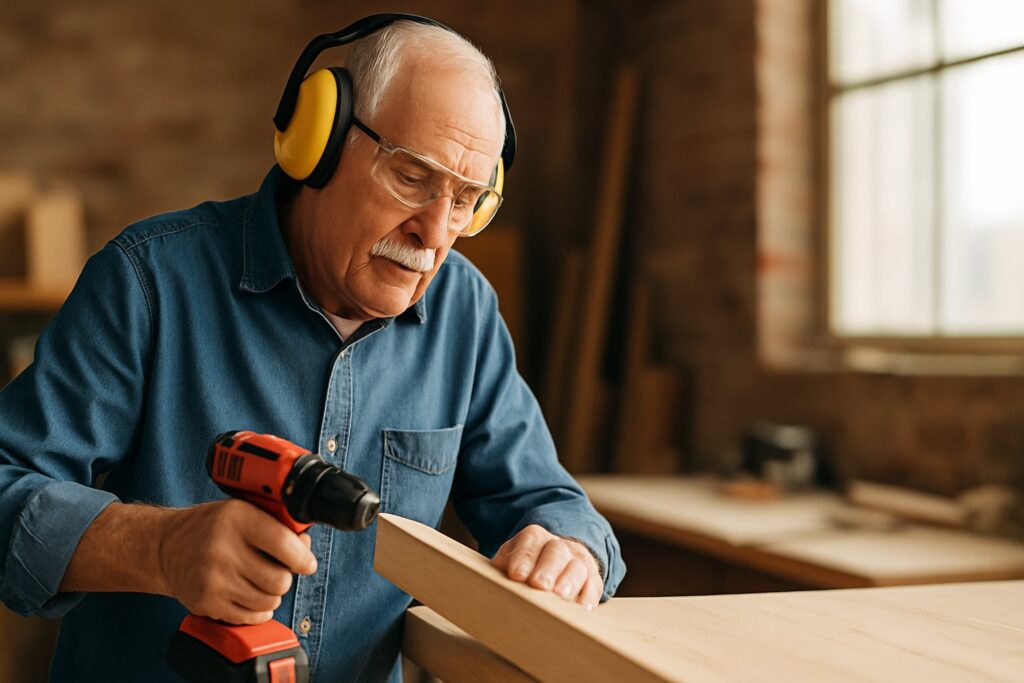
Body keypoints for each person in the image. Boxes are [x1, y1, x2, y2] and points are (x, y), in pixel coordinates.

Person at [0, 15, 625, 682]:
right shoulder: (150, 282)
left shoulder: (463, 313)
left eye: (467, 201)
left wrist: (568, 547)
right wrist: (160, 548)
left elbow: (546, 499)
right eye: (413, 178)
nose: (435, 235)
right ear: (317, 139)